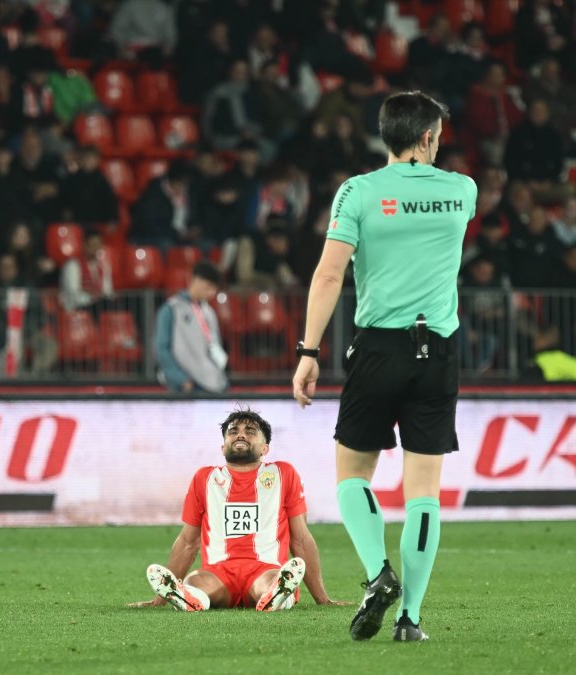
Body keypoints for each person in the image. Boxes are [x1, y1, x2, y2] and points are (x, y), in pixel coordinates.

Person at [292, 91, 476, 642]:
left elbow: (329, 275)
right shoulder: (462, 190)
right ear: (427, 136)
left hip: (378, 349)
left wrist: (308, 351)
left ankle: (378, 574)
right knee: (424, 492)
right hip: (438, 351)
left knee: (352, 475)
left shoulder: (359, 191)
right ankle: (410, 619)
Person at [130, 408, 339, 611]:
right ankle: (188, 596)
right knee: (195, 580)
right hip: (218, 572)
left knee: (273, 580)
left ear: (265, 448)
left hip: (265, 569)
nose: (240, 435)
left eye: (250, 431)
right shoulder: (204, 478)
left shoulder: (283, 474)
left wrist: (323, 599)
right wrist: (159, 601)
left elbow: (301, 539)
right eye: (233, 431)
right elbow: (188, 542)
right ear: (223, 447)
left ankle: (275, 594)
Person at [154, 261, 228, 394]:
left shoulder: (209, 312)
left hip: (213, 383)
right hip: (186, 387)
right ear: (197, 281)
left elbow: (215, 345)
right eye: (209, 287)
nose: (212, 293)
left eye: (214, 289)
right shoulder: (171, 309)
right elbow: (162, 348)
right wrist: (181, 379)